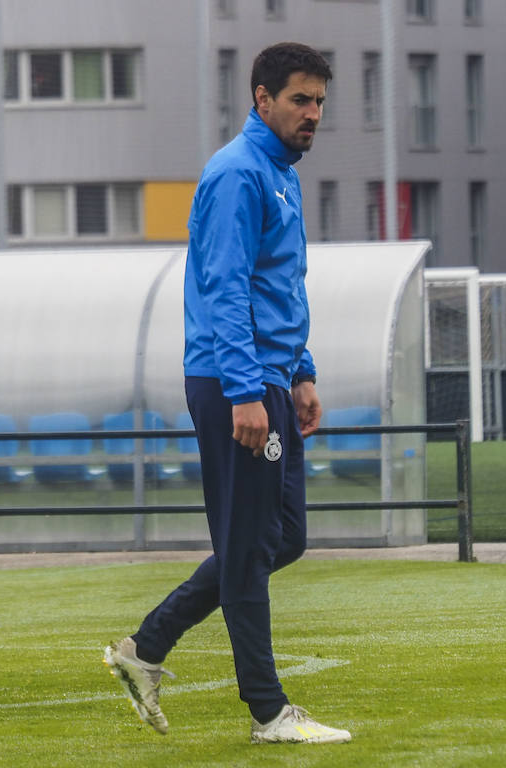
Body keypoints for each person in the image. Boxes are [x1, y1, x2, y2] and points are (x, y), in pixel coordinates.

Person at [102, 43, 350, 746]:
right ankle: (269, 713)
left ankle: (146, 647)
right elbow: (224, 286)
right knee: (247, 547)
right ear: (262, 97)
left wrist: (300, 372)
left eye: (320, 101)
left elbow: (282, 285)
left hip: (269, 379)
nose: (314, 114)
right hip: (231, 381)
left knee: (282, 537)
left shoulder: (280, 175)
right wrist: (247, 389)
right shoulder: (237, 173)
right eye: (301, 99)